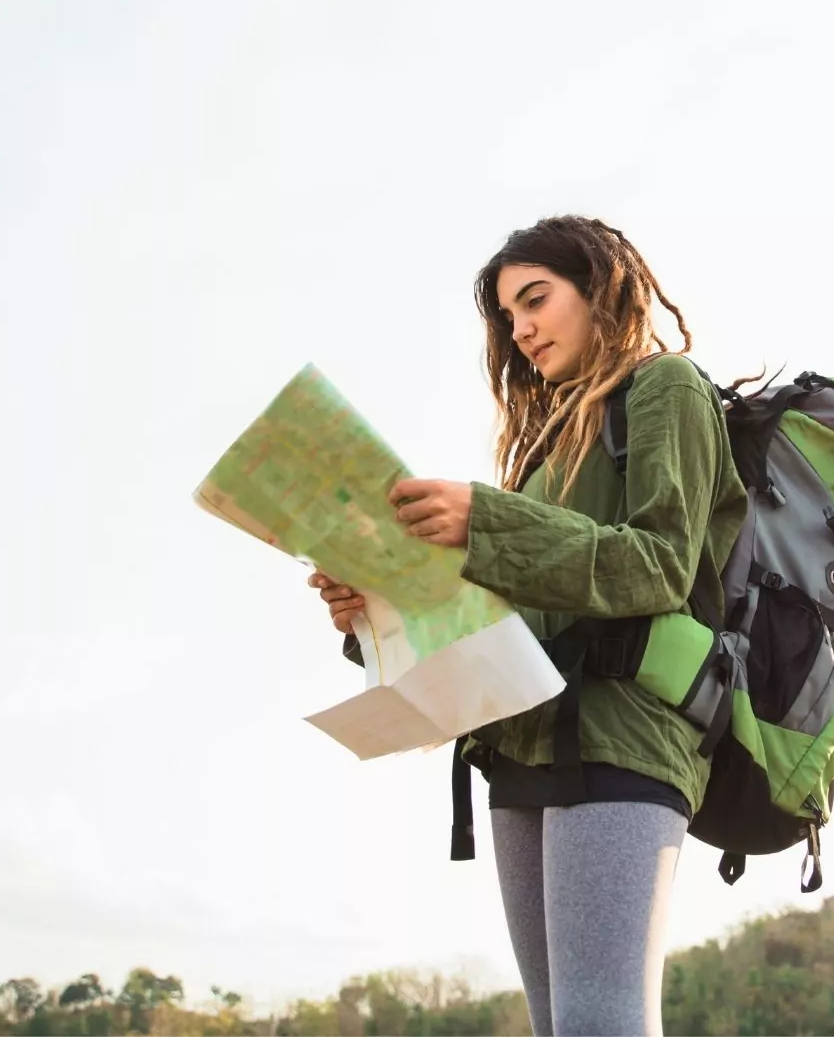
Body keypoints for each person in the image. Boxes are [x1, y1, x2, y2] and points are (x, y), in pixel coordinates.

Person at [307, 215, 748, 1037]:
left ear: (602, 289)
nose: (521, 330)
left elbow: (660, 564)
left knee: (599, 1023)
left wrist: (487, 521)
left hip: (623, 737)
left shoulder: (667, 387)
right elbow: (509, 609)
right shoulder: (545, 446)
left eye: (536, 300)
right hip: (522, 746)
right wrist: (373, 606)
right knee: (560, 1027)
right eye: (509, 316)